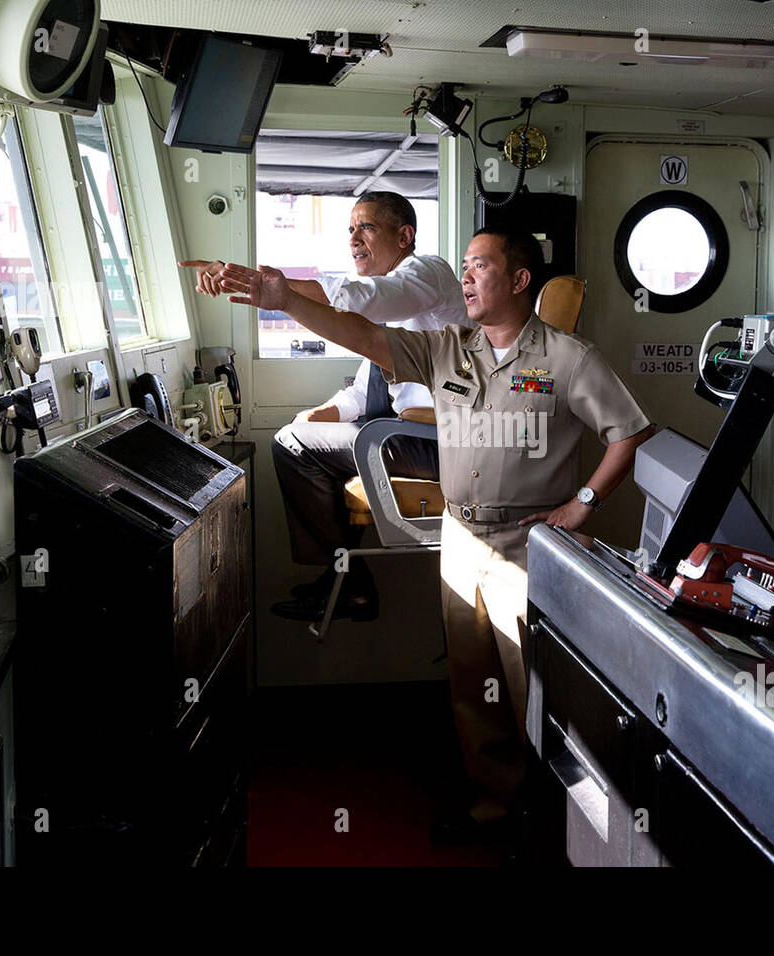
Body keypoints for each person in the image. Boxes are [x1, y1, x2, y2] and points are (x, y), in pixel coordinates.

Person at [207, 227, 656, 842]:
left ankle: (558, 825)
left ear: (519, 280)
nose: (465, 277)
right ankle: (494, 808)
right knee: (474, 687)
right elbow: (362, 333)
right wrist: (284, 299)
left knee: (537, 690)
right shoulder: (447, 348)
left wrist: (581, 505)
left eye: (480, 266)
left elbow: (627, 432)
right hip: (461, 539)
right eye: (464, 265)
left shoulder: (566, 358)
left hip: (527, 545)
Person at [181, 192, 469, 621]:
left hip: (439, 442)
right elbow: (363, 388)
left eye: (366, 227)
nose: (354, 238)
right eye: (350, 229)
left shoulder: (427, 274)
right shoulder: (392, 305)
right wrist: (315, 418)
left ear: (405, 236)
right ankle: (345, 580)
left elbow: (364, 298)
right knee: (295, 436)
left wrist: (265, 287)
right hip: (412, 436)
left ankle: (347, 581)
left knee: (291, 445)